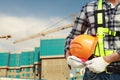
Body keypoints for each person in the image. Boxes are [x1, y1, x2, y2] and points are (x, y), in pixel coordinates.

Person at [64, 0, 120, 80]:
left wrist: (108, 59)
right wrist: (68, 56)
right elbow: (73, 35)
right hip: (94, 75)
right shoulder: (89, 8)